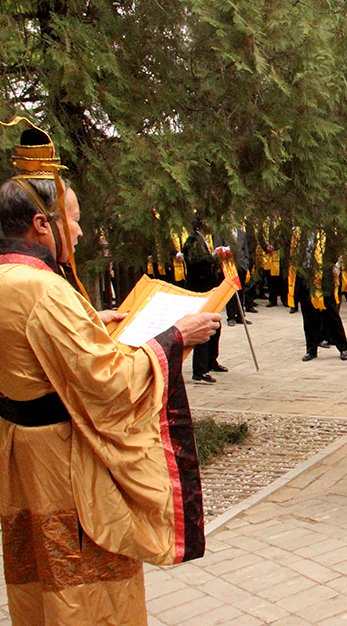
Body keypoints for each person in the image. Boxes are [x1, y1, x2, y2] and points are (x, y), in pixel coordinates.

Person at [0, 123, 220, 624]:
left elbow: (25, 348)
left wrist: (87, 323)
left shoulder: (10, 277)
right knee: (85, 592)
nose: (78, 231)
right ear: (41, 223)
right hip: (63, 463)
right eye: (72, 221)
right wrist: (174, 338)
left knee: (39, 586)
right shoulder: (44, 291)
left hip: (21, 456)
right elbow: (110, 384)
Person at [183, 215, 228, 383]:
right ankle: (199, 370)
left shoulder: (205, 239)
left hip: (209, 288)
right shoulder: (193, 240)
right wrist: (213, 257)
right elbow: (195, 263)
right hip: (198, 289)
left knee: (215, 326)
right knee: (204, 328)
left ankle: (211, 360)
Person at [297, 230, 347, 362]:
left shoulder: (327, 232)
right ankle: (311, 349)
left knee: (331, 313)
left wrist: (330, 266)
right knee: (308, 315)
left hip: (324, 276)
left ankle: (343, 347)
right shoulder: (300, 233)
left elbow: (336, 250)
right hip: (305, 275)